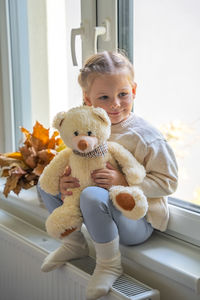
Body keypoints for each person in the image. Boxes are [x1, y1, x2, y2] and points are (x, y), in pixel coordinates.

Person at [38, 51, 178, 300]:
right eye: (104, 97)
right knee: (46, 184)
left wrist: (123, 182)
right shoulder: (83, 128)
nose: (115, 104)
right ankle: (74, 244)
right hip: (99, 218)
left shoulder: (145, 137)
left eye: (123, 94)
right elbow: (71, 162)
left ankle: (109, 264)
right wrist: (64, 183)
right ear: (87, 98)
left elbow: (169, 182)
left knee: (92, 195)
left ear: (134, 90)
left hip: (136, 222)